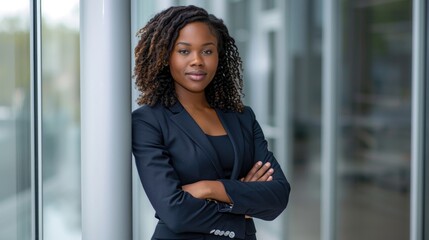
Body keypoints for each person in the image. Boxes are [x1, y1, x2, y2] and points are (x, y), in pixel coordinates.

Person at [132, 5, 290, 240]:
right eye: (184, 51)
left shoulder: (242, 117)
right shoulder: (148, 121)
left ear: (219, 55)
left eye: (207, 51)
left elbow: (278, 195)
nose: (197, 61)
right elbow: (174, 212)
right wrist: (242, 203)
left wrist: (210, 188)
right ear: (165, 56)